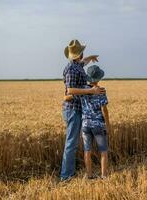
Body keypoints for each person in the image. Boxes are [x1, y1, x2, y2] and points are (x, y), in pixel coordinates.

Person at [60, 39, 105, 182]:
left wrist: (90, 58)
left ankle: (70, 173)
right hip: (73, 109)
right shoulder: (71, 70)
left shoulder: (77, 65)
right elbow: (70, 90)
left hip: (77, 109)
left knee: (73, 143)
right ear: (79, 53)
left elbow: (83, 63)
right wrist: (91, 90)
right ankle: (66, 176)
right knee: (71, 143)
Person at [64, 65, 110, 179]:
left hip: (85, 125)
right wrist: (107, 125)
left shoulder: (83, 90)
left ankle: (88, 174)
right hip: (98, 125)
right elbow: (104, 109)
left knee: (87, 150)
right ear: (99, 79)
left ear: (88, 78)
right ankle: (103, 176)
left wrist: (66, 98)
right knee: (103, 151)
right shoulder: (101, 91)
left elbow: (68, 97)